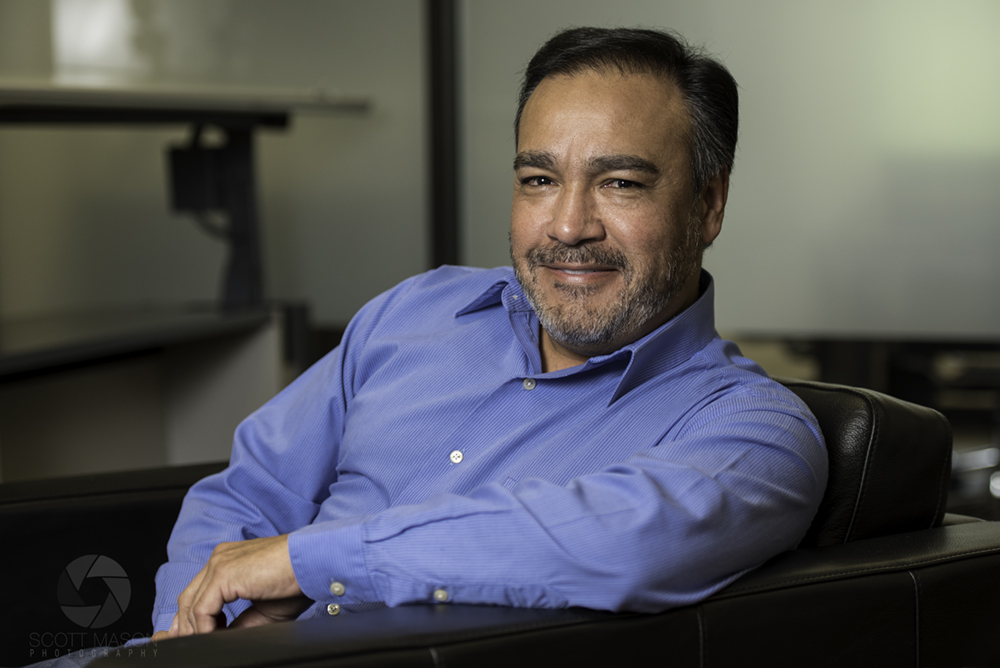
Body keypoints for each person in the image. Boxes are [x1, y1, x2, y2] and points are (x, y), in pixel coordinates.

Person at [153, 26, 827, 639]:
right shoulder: (418, 310)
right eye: (539, 179)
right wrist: (191, 637)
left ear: (708, 206)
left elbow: (618, 542)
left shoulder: (756, 434)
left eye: (620, 183)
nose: (568, 227)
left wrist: (313, 563)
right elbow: (246, 495)